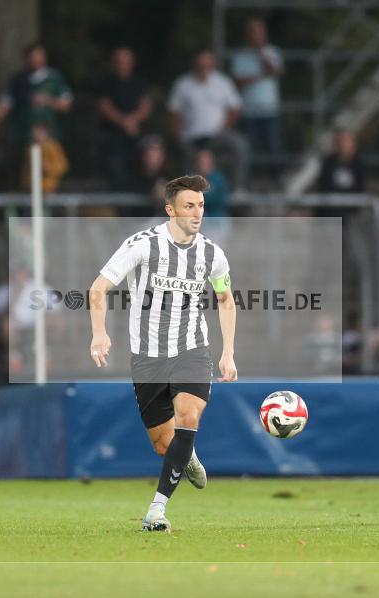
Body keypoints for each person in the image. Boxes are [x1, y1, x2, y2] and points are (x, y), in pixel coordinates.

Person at [88, 175, 238, 532]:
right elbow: (98, 289)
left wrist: (228, 352)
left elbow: (225, 299)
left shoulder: (212, 254)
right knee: (163, 444)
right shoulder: (142, 245)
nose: (197, 212)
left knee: (188, 414)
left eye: (201, 205)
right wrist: (99, 334)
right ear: (170, 209)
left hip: (193, 349)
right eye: (189, 205)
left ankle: (156, 510)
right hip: (148, 356)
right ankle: (186, 455)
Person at [0, 43, 73, 186]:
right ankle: (24, 205)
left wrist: (47, 100)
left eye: (39, 57)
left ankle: (50, 204)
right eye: (33, 58)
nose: (36, 62)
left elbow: (67, 104)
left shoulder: (55, 78)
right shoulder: (18, 80)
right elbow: (5, 102)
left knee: (52, 171)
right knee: (23, 173)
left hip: (50, 139)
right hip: (23, 136)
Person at [168, 51, 248, 191]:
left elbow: (236, 108)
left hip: (217, 136)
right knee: (182, 153)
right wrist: (179, 134)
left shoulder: (222, 82)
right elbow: (173, 112)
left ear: (212, 65)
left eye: (206, 65)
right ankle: (186, 193)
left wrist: (224, 127)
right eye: (200, 64)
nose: (203, 68)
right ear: (195, 65)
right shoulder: (182, 84)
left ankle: (238, 188)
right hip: (191, 137)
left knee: (239, 145)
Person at [231, 18, 284, 179]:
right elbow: (238, 81)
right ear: (249, 35)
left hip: (270, 110)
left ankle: (277, 180)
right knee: (248, 151)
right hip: (249, 111)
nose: (258, 36)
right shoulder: (240, 55)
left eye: (260, 33)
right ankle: (247, 183)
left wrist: (261, 54)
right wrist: (260, 76)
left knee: (274, 148)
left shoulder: (273, 52)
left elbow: (276, 71)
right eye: (254, 33)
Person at [97, 47, 153, 191]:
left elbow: (146, 106)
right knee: (117, 174)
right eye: (119, 61)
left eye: (125, 61)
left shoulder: (140, 83)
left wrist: (133, 120)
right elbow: (104, 106)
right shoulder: (106, 83)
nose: (122, 64)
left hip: (136, 137)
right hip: (113, 139)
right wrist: (124, 122)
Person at [21, 123, 68, 193]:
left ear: (46, 133)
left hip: (49, 188)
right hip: (31, 188)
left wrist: (48, 167)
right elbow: (25, 169)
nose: (35, 134)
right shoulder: (30, 148)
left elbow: (62, 167)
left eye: (39, 132)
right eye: (34, 131)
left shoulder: (53, 147)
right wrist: (25, 183)